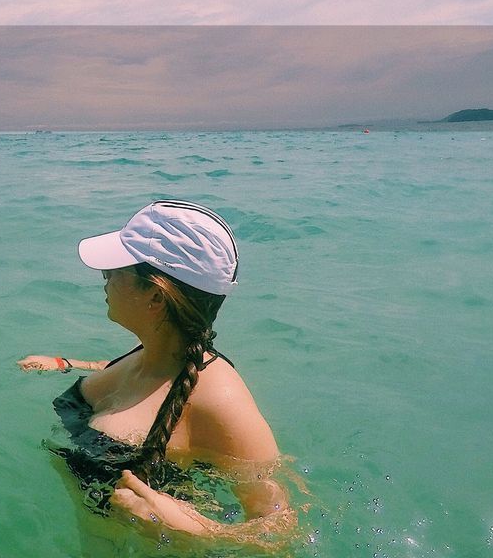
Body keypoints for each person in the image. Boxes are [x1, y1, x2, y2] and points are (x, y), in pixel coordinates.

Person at [18, 200, 295, 545]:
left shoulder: (220, 400)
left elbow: (282, 535)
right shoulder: (151, 358)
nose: (103, 280)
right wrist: (66, 364)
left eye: (113, 270)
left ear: (154, 295)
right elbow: (134, 380)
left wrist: (194, 528)